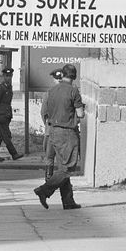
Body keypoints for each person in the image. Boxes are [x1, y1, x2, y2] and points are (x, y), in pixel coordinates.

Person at [34, 63, 85, 210]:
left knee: (63, 166)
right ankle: (43, 190)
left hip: (53, 132)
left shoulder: (51, 91)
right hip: (67, 133)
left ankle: (68, 201)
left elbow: (46, 111)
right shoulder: (73, 91)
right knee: (67, 168)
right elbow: (80, 114)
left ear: (62, 75)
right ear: (74, 77)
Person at [0, 67, 24, 162]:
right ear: (3, 76)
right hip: (1, 116)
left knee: (0, 136)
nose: (8, 78)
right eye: (6, 76)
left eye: (10, 76)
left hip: (6, 115)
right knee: (6, 135)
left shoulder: (9, 87)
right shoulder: (1, 88)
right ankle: (14, 154)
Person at [41, 69, 63, 180]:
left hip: (51, 130)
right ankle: (61, 179)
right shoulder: (70, 92)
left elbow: (44, 112)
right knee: (61, 158)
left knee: (49, 157)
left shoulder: (49, 93)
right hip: (64, 131)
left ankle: (49, 177)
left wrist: (47, 125)